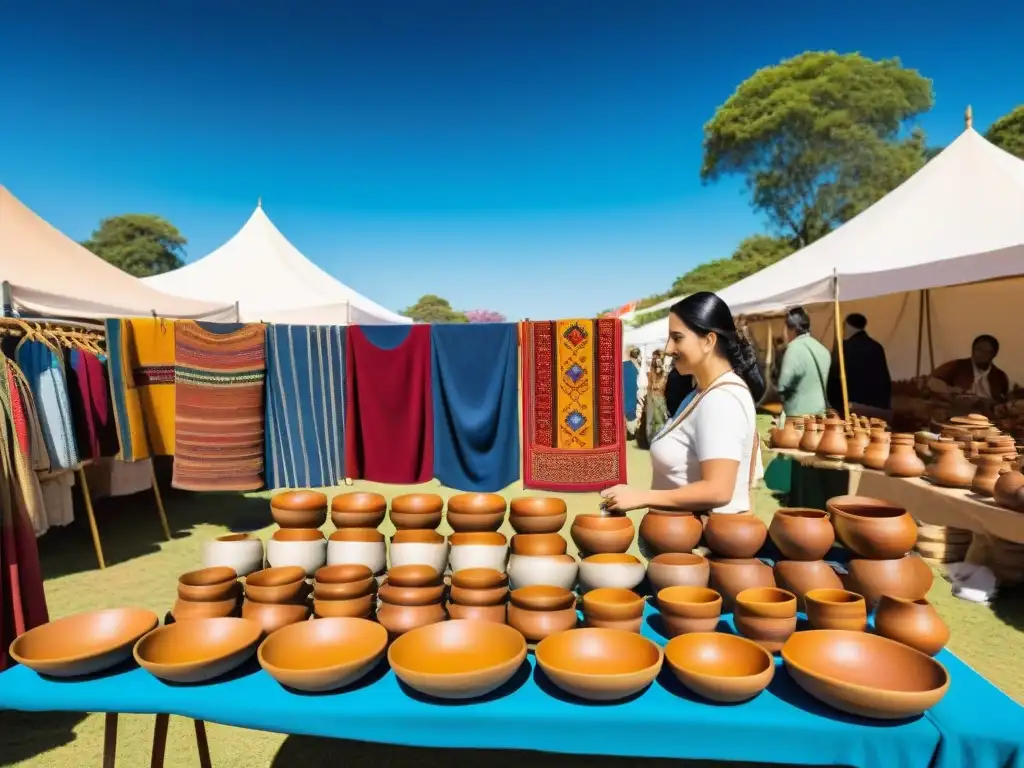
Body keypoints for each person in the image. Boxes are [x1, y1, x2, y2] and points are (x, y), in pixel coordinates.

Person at [601, 291, 765, 516]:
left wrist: (641, 496)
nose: (668, 348)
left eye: (677, 338)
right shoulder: (702, 393)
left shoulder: (721, 400)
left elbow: (718, 490)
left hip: (702, 544)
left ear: (708, 341)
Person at [826, 313, 892, 413]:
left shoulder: (843, 348)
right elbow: (884, 379)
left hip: (849, 406)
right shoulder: (876, 347)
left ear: (846, 326)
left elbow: (834, 378)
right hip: (874, 405)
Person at [776, 306, 831, 417]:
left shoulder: (794, 349)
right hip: (820, 414)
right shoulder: (823, 349)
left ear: (790, 329)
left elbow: (782, 385)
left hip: (798, 417)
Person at [929, 334, 1009, 402]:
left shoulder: (999, 376)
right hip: (960, 409)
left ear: (994, 354)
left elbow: (1003, 398)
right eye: (978, 349)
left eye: (987, 351)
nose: (981, 354)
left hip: (988, 413)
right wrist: (953, 391)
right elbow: (933, 381)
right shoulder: (958, 365)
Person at [637, 351, 669, 449]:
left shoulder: (664, 373)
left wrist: (663, 373)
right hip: (652, 397)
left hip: (660, 398)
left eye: (658, 359)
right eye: (655, 359)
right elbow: (654, 386)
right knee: (650, 421)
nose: (656, 361)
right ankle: (651, 443)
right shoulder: (651, 373)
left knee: (661, 421)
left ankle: (658, 442)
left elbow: (659, 386)